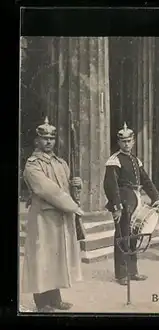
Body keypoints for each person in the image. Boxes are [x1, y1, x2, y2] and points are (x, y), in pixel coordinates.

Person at [21, 117, 85, 312]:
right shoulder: (32, 165)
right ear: (37, 141)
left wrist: (77, 186)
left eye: (51, 138)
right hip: (43, 219)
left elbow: (66, 187)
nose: (48, 142)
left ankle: (55, 298)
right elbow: (48, 190)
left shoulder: (61, 163)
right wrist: (72, 206)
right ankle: (42, 303)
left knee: (57, 258)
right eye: (44, 138)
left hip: (59, 218)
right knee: (42, 259)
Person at [103, 123, 159, 285]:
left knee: (134, 235)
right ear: (119, 142)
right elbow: (110, 185)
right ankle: (121, 274)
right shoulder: (114, 160)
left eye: (129, 141)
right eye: (123, 141)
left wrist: (155, 197)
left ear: (133, 141)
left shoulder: (135, 160)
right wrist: (116, 206)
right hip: (122, 202)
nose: (126, 144)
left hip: (136, 200)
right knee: (122, 236)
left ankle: (133, 271)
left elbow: (146, 180)